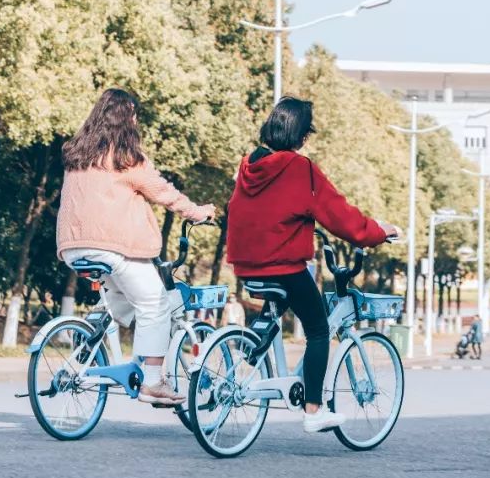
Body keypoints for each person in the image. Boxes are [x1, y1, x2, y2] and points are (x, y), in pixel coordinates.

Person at [225, 97, 400, 434]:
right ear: (302, 136)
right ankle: (314, 410)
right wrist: (378, 232)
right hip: (283, 266)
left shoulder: (249, 165)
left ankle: (253, 368)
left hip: (246, 266)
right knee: (318, 329)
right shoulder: (299, 169)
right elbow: (341, 216)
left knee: (277, 315)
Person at [56, 88, 215, 406]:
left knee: (123, 299)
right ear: (127, 119)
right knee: (154, 303)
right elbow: (163, 192)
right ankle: (153, 383)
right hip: (112, 247)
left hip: (73, 247)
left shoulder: (77, 154)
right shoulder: (127, 158)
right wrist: (199, 212)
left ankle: (92, 333)